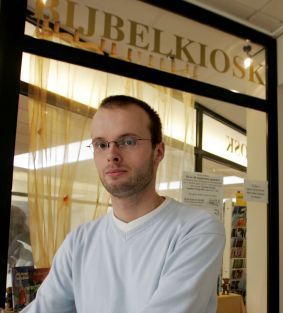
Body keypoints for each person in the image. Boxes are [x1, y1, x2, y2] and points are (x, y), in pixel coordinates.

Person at [22, 95, 225, 313]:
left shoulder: (197, 230)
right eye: (101, 144)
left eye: (128, 141)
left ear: (158, 152)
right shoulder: (78, 242)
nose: (112, 155)